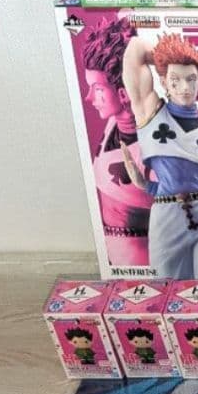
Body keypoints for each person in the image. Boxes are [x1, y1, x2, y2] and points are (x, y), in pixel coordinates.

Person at [120, 32, 198, 278]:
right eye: (175, 80)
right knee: (171, 291)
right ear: (163, 82)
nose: (185, 88)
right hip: (167, 223)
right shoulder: (150, 113)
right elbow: (135, 48)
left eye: (192, 79)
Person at [80, 17, 152, 267]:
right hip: (115, 255)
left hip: (144, 256)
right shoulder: (114, 124)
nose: (89, 97)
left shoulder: (156, 144)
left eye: (97, 89)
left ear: (123, 92)